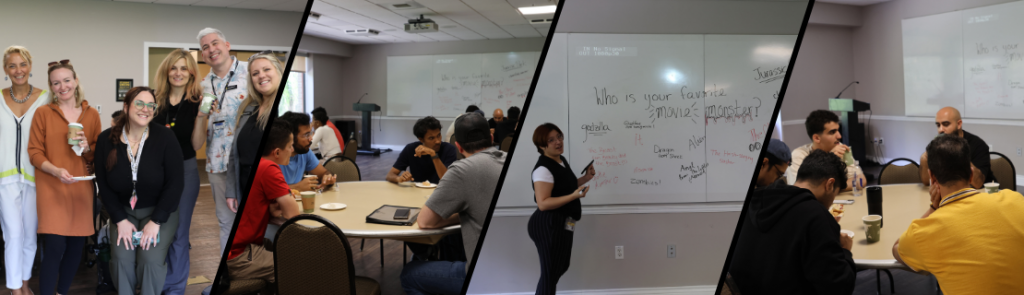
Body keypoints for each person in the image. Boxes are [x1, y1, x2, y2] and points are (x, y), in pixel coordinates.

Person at [893, 135, 1024, 294]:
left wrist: (934, 208)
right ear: (971, 174)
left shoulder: (925, 232)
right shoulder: (1015, 199)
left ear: (932, 177)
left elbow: (897, 248)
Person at [400, 112, 505, 295]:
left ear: (458, 146)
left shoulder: (462, 169)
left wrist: (459, 215)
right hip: (515, 267)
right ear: (491, 137)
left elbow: (425, 222)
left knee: (409, 274)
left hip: (480, 275)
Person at [95, 87, 184, 295]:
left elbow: (176, 183)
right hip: (123, 212)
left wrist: (156, 221)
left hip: (159, 211)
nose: (146, 109)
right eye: (140, 104)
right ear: (126, 107)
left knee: (150, 260)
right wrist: (119, 220)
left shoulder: (165, 137)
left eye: (151, 105)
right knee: (121, 259)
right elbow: (104, 185)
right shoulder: (105, 139)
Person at [729, 150, 855, 295]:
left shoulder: (756, 201)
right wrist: (845, 251)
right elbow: (840, 288)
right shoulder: (816, 215)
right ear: (830, 184)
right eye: (835, 194)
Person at [29, 60, 101, 295]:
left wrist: (87, 148)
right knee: (55, 246)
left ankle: (61, 292)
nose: (62, 87)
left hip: (80, 188)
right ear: (51, 87)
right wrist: (56, 171)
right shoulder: (43, 113)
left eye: (67, 80)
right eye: (56, 83)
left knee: (75, 247)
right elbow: (34, 152)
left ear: (76, 81)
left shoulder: (92, 114)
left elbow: (96, 156)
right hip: (51, 187)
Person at [151, 48, 212, 295]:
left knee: (179, 232)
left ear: (191, 73)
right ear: (166, 71)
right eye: (174, 68)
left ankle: (174, 288)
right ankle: (155, 282)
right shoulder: (154, 100)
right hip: (155, 173)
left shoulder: (198, 103)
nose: (178, 73)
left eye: (184, 68)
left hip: (185, 171)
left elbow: (196, 145)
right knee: (157, 228)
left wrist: (201, 117)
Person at [226, 119, 300, 283]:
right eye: (290, 146)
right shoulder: (269, 168)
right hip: (239, 255)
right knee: (298, 267)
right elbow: (293, 215)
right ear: (277, 152)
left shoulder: (259, 164)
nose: (292, 150)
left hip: (244, 247)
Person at [2, 45, 49, 295]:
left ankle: (25, 283)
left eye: (22, 64)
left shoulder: (46, 98)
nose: (18, 70)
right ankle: (14, 289)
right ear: (5, 69)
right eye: (12, 65)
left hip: (35, 176)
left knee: (30, 235)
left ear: (30, 67)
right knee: (13, 234)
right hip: (4, 179)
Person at [528, 123, 596, 295]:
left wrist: (586, 178)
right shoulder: (543, 169)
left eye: (559, 137)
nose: (558, 142)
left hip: (564, 221)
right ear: (541, 145)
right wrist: (574, 196)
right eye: (551, 140)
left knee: (559, 267)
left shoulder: (560, 160)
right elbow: (543, 203)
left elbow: (566, 187)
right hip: (548, 224)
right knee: (550, 274)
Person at [198, 27, 249, 253]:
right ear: (202, 55)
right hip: (217, 165)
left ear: (227, 46)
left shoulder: (250, 72)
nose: (211, 49)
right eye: (205, 47)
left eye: (215, 43)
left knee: (251, 219)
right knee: (226, 222)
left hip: (247, 161)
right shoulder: (201, 86)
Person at [786, 110, 865, 191]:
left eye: (838, 130)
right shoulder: (799, 155)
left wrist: (830, 188)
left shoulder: (839, 148)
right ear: (817, 138)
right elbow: (799, 190)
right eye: (832, 132)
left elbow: (861, 180)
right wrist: (829, 161)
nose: (839, 136)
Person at [918, 107, 993, 188]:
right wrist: (924, 159)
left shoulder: (978, 145)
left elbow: (978, 183)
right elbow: (926, 182)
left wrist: (958, 153)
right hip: (951, 191)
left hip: (982, 192)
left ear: (959, 124)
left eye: (946, 124)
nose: (941, 130)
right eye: (938, 125)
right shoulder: (938, 145)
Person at [386, 116, 457, 184]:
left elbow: (447, 179)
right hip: (417, 190)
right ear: (421, 139)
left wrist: (433, 155)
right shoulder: (410, 149)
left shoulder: (449, 149)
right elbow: (390, 175)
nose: (437, 141)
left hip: (440, 190)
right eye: (431, 138)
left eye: (438, 135)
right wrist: (399, 178)